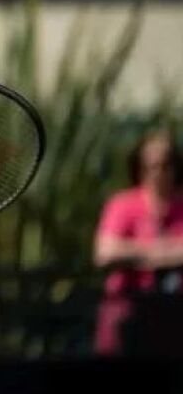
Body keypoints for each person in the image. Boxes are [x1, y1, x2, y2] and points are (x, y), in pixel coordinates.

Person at [94, 129, 183, 356]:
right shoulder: (122, 205)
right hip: (128, 315)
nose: (159, 173)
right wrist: (165, 252)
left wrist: (137, 253)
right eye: (151, 166)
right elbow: (105, 253)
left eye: (166, 165)